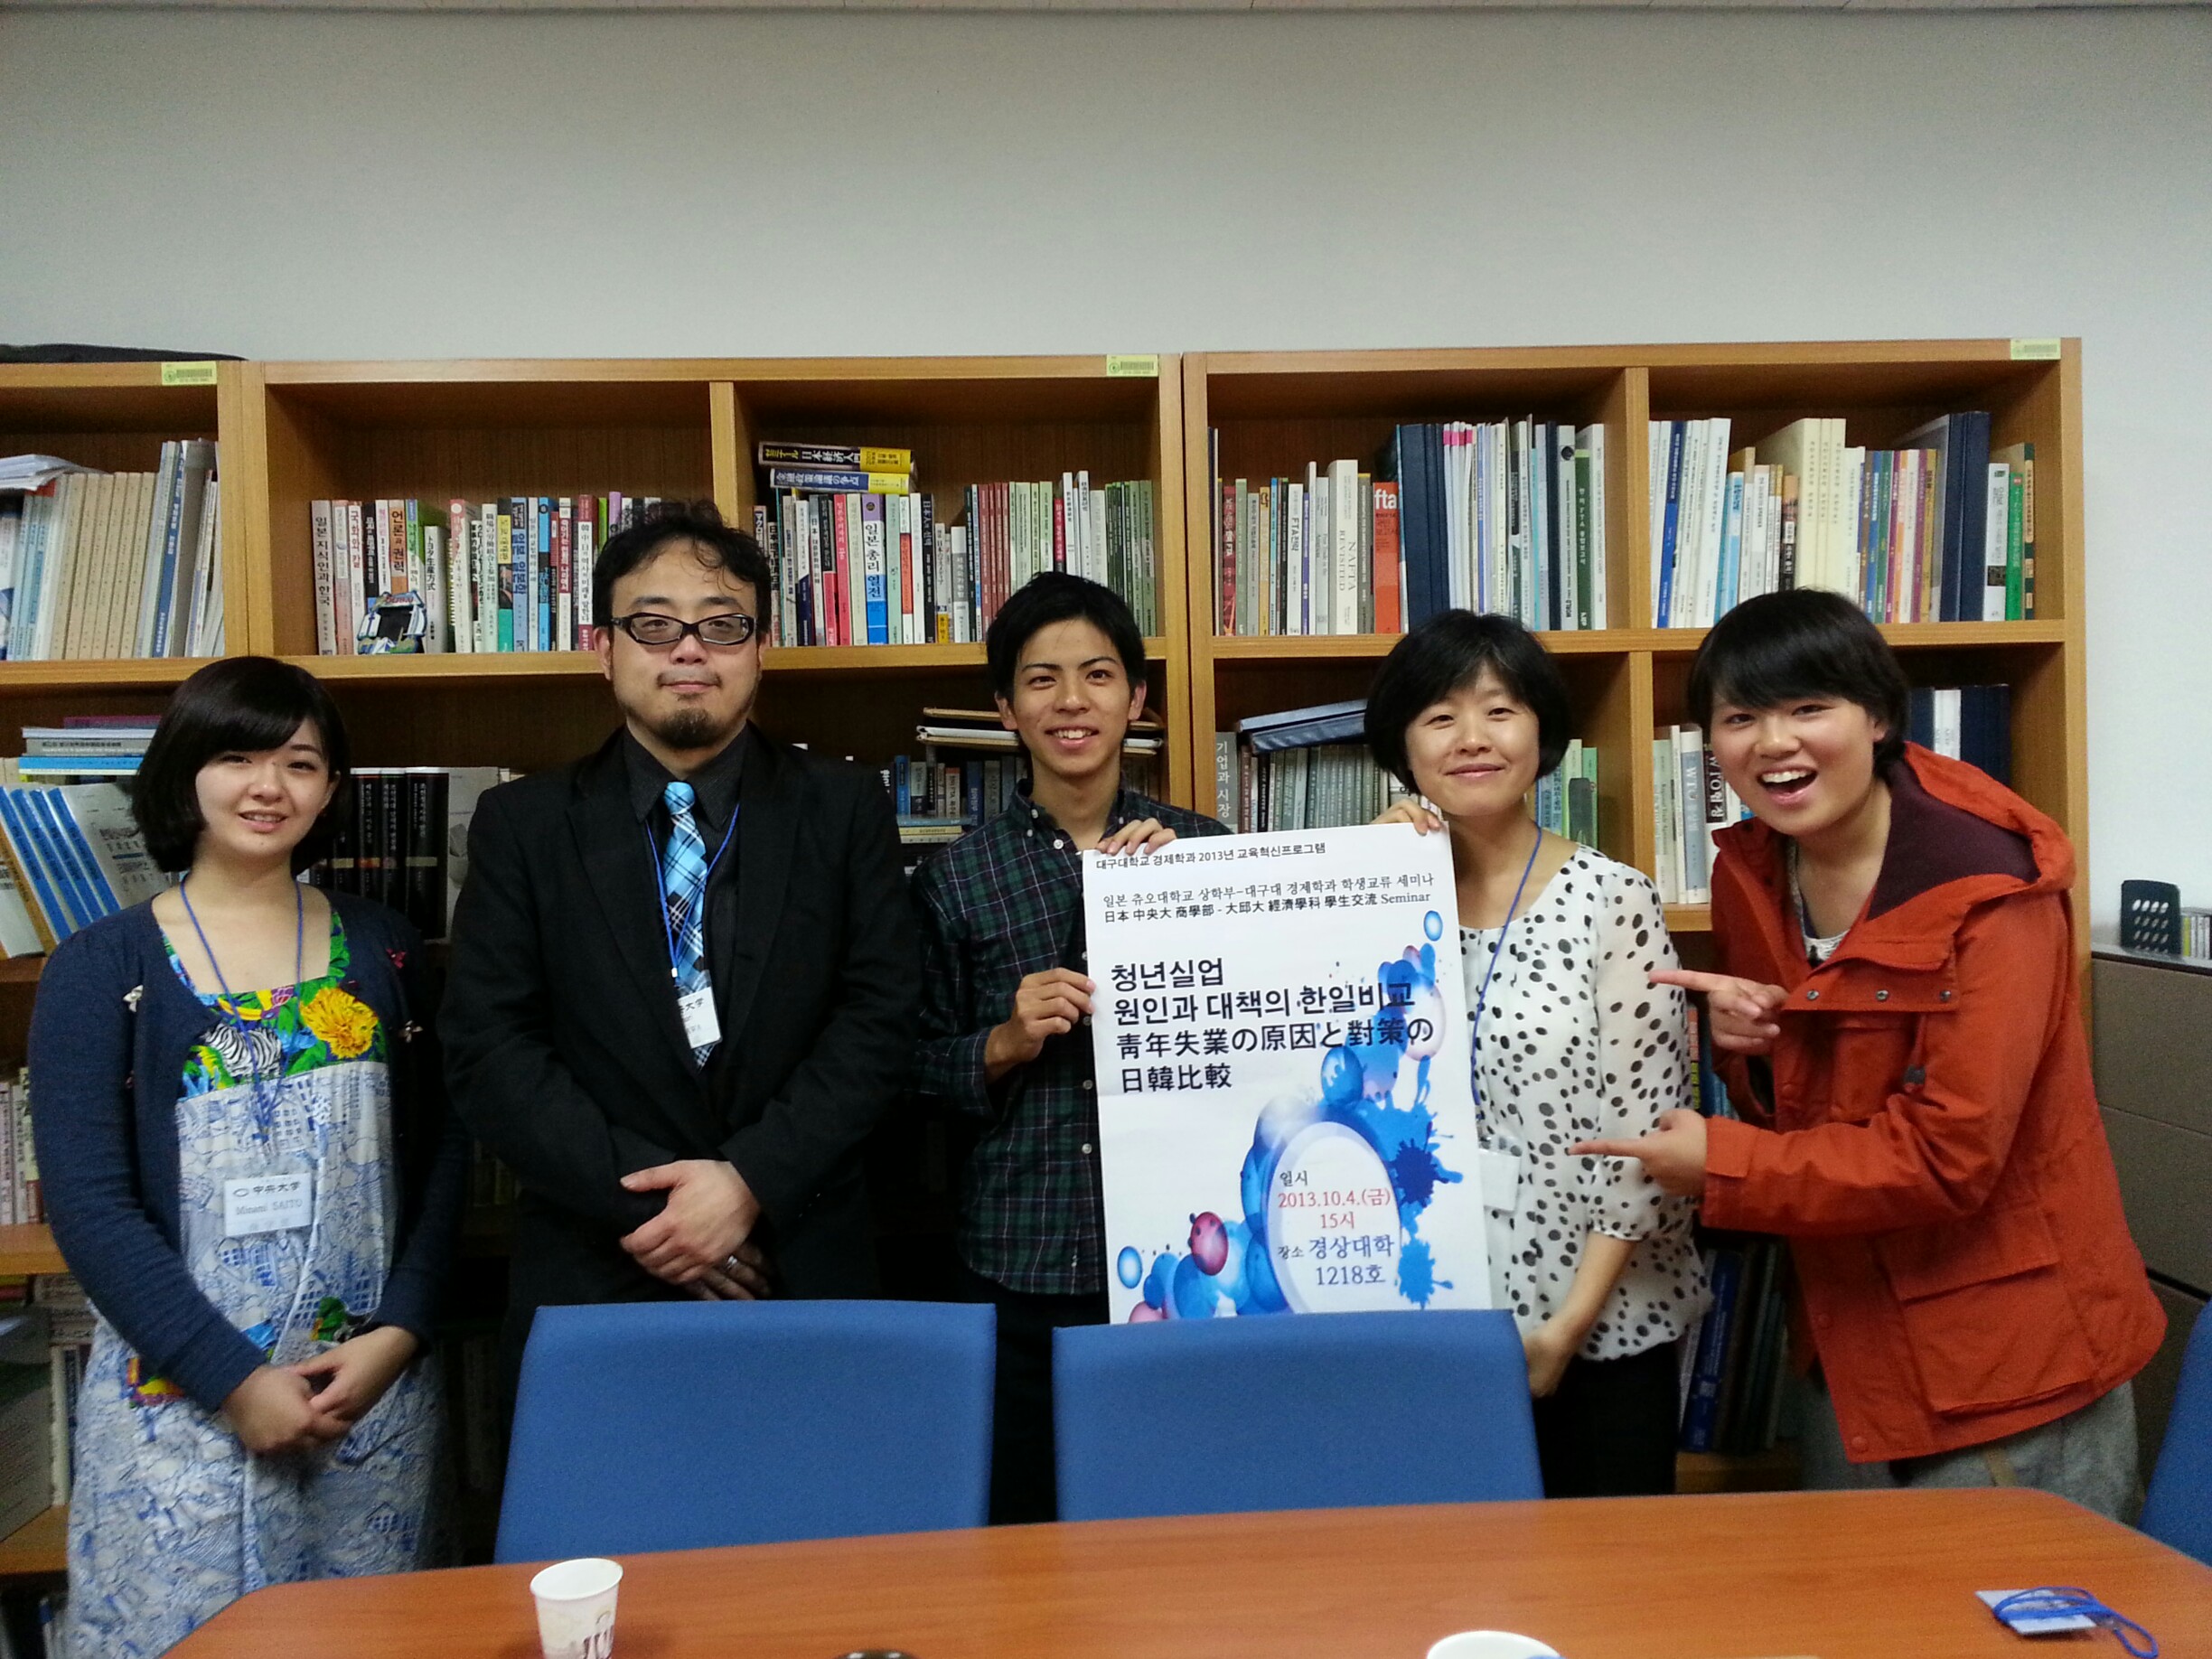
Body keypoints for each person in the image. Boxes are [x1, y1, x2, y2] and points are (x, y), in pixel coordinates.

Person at [1576, 588, 2163, 1517]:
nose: (1774, 742)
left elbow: (1949, 1157)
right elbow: (1796, 1098)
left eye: (1809, 708)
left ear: (1879, 717)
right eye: (1741, 718)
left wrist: (1721, 1163)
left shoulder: (1990, 891)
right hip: (1845, 1338)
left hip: (2004, 1365)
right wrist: (1751, 1051)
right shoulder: (1753, 867)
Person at [29, 657, 466, 1657]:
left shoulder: (389, 948)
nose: (269, 787)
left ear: (331, 789)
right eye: (236, 757)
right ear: (185, 772)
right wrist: (231, 1379)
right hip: (184, 1404)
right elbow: (91, 1207)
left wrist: (400, 1333)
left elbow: (445, 1150)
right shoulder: (101, 967)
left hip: (366, 1394)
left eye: (300, 764)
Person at [442, 503, 917, 1376]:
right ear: (604, 648)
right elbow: (490, 1047)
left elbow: (882, 1021)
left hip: (798, 1257)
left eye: (722, 625)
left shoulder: (845, 808)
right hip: (597, 1263)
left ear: (761, 647)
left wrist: (747, 1183)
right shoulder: (522, 825)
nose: (689, 650)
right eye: (654, 625)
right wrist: (660, 1213)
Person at [910, 572, 1229, 1523]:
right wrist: (1004, 1042)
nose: (1071, 701)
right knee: (1025, 1531)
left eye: (1097, 675)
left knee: (1176, 1521)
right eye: (1041, 679)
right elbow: (908, 1070)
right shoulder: (956, 878)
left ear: (1137, 699)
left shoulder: (1207, 854)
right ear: (1007, 708)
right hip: (1021, 1259)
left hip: (1184, 1257)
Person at [1366, 611, 1704, 1498]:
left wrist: (1566, 1330)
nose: (1472, 739)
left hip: (1596, 1326)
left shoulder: (1613, 900)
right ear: (1403, 746)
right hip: (1431, 1317)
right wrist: (1366, 874)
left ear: (1542, 732)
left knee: (1604, 1576)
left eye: (1500, 710)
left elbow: (1646, 1141)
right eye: (1440, 717)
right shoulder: (1379, 902)